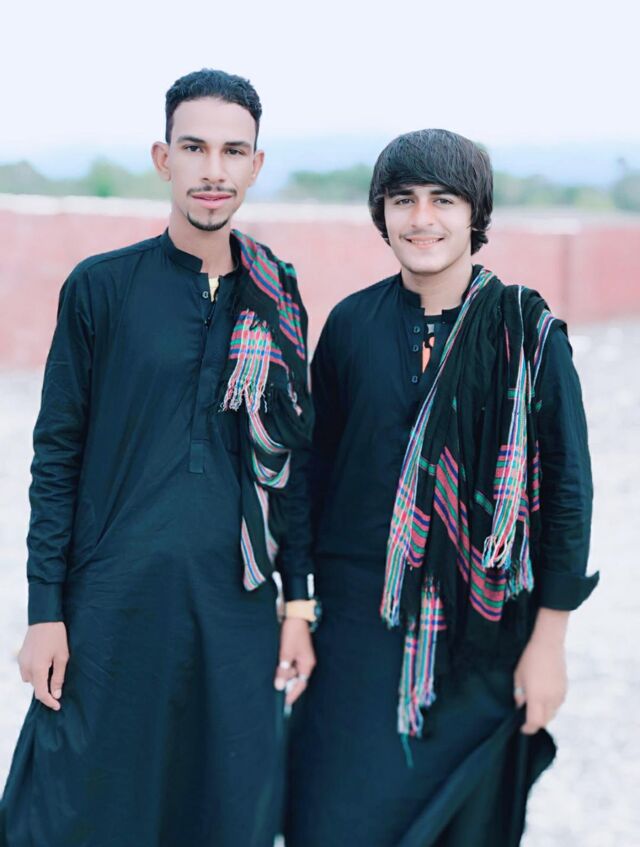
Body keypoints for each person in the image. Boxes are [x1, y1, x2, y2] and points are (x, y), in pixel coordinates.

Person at [0, 68, 319, 847]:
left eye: (233, 151)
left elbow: (294, 460)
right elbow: (56, 457)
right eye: (194, 147)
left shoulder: (278, 296)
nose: (213, 169)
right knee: (74, 808)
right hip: (112, 602)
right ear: (162, 157)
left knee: (223, 808)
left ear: (256, 165)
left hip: (235, 607)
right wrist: (45, 611)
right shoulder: (100, 289)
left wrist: (298, 606)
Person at [285, 129, 598, 847]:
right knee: (329, 818)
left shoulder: (529, 336)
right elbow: (310, 477)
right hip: (357, 629)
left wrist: (548, 643)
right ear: (381, 212)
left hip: (481, 638)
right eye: (403, 200)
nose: (422, 218)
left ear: (474, 214)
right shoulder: (352, 326)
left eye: (443, 200)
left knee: (465, 826)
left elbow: (568, 497)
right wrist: (297, 606)